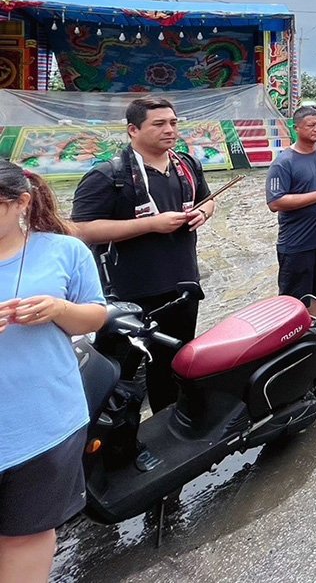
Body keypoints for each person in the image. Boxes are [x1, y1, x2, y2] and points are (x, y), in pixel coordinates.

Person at [71, 95, 215, 412]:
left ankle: (167, 432)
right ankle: (118, 447)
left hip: (182, 289)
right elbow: (80, 229)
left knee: (172, 368)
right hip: (128, 295)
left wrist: (203, 213)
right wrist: (151, 225)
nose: (170, 130)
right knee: (117, 378)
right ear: (133, 130)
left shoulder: (187, 166)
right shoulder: (109, 175)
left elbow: (207, 200)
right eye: (159, 124)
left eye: (174, 123)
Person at [0, 161, 107, 583]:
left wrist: (59, 309)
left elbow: (95, 317)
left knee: (25, 535)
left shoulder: (65, 251)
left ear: (22, 203)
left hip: (43, 423)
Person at [266, 106, 316, 317]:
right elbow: (275, 202)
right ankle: (292, 343)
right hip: (298, 244)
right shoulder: (284, 163)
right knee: (294, 300)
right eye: (311, 125)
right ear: (296, 128)